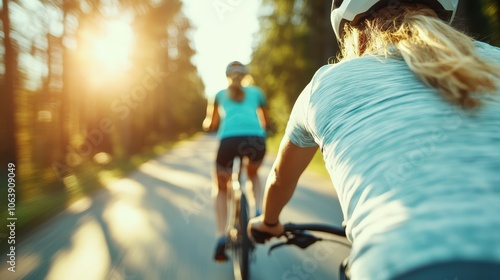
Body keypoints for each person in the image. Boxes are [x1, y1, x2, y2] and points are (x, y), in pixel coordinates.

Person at [249, 0, 500, 279]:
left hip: (402, 266)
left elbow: (280, 180)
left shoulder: (321, 87)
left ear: (354, 33)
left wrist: (269, 221)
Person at [203, 61, 271, 262]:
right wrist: (267, 128)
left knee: (221, 187)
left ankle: (221, 237)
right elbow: (266, 121)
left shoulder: (219, 95)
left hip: (228, 142)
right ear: (245, 75)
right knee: (252, 174)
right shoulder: (257, 92)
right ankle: (259, 213)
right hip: (255, 140)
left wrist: (207, 126)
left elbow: (211, 123)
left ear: (227, 76)